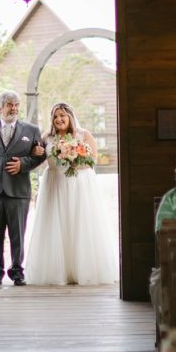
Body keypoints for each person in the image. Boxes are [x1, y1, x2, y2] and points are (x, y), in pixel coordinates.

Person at [24, 102, 117, 286]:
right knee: (55, 225)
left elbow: (92, 161)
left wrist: (72, 156)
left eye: (62, 116)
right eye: (55, 116)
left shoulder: (84, 135)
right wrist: (35, 151)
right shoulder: (46, 137)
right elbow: (38, 158)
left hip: (79, 186)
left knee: (79, 224)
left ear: (70, 117)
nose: (59, 119)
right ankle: (58, 272)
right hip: (54, 184)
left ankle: (83, 270)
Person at [0, 90, 46, 286]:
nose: (13, 108)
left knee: (17, 235)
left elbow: (40, 156)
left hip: (18, 192)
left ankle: (17, 273)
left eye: (16, 105)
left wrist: (23, 164)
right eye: (9, 105)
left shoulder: (31, 130)